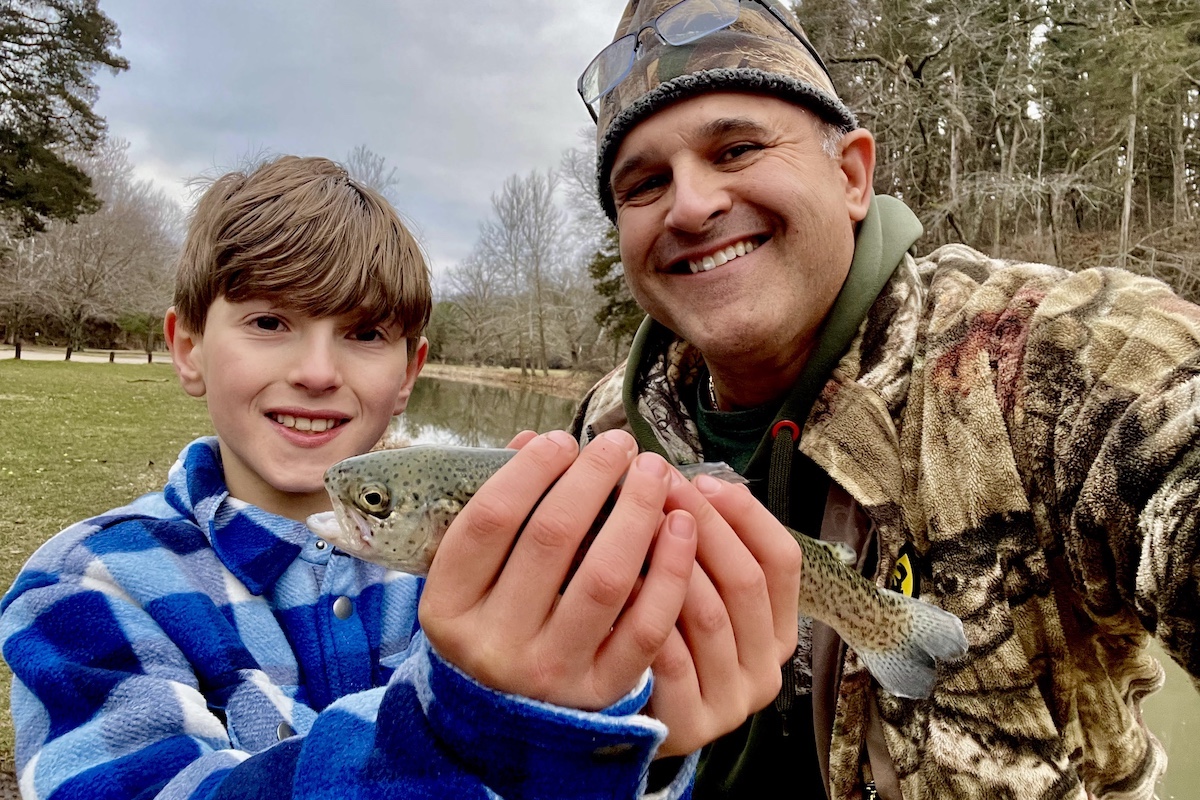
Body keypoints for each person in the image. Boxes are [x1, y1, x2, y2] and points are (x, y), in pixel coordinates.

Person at [0, 155, 802, 799]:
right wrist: (471, 720)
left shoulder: (520, 573)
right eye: (269, 322)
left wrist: (632, 750)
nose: (316, 372)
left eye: (364, 331)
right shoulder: (89, 587)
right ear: (186, 347)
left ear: (411, 370)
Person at [570, 1, 1200, 798]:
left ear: (851, 176)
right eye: (644, 184)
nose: (690, 206)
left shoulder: (1046, 356)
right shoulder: (602, 433)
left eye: (736, 149)